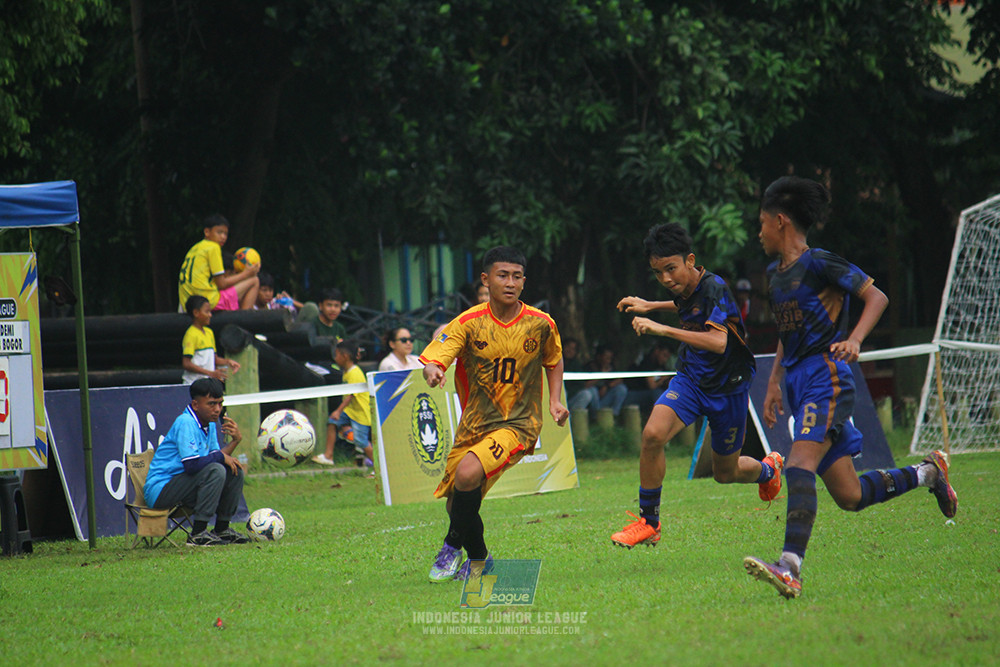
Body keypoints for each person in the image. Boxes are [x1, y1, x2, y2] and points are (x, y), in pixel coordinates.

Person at [743, 176, 957, 599]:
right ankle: (930, 473)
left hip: (828, 376)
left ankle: (789, 566)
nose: (759, 231)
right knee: (850, 494)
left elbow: (875, 296)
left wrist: (856, 338)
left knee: (799, 464)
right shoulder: (775, 274)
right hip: (799, 381)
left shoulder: (820, 263)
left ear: (781, 221)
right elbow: (789, 331)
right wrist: (773, 383)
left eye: (762, 222)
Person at [610, 223, 782, 549]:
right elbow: (684, 305)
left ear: (690, 260)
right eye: (658, 272)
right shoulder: (686, 289)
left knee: (725, 473)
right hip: (691, 380)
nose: (665, 279)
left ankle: (767, 469)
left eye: (671, 269)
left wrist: (660, 329)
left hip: (728, 388)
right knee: (652, 435)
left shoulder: (715, 287)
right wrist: (650, 304)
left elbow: (718, 342)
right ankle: (650, 522)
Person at [420, 246, 569, 582]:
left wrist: (554, 401)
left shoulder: (540, 323)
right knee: (456, 503)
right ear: (486, 280)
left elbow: (554, 358)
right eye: (503, 275)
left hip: (518, 424)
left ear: (524, 281)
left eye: (517, 276)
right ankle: (478, 558)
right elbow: (437, 354)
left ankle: (455, 549)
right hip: (474, 425)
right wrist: (432, 369)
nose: (511, 282)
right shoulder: (469, 323)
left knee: (468, 474)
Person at [143, 377, 250, 546]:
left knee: (233, 469)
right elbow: (192, 466)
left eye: (220, 404)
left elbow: (217, 457)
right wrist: (221, 458)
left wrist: (235, 441)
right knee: (217, 469)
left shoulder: (210, 423)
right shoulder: (185, 422)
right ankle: (198, 533)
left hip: (185, 485)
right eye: (212, 404)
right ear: (195, 405)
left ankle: (222, 529)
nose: (217, 409)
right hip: (161, 490)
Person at [178, 214, 260, 311]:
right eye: (219, 232)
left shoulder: (195, 249)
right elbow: (221, 284)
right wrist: (246, 274)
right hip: (208, 301)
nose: (223, 237)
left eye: (225, 234)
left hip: (188, 303)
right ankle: (244, 320)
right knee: (254, 280)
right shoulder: (213, 247)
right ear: (207, 232)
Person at [312, 339, 372, 467]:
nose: (335, 358)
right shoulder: (347, 372)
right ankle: (328, 456)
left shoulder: (354, 373)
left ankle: (379, 466)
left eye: (337, 354)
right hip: (351, 411)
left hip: (360, 413)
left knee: (362, 442)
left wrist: (338, 411)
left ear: (345, 356)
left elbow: (350, 396)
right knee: (332, 422)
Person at [181, 295, 241, 385]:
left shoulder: (209, 332)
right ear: (196, 313)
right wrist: (210, 373)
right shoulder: (191, 334)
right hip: (193, 384)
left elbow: (215, 359)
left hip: (207, 384)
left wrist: (228, 362)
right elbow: (186, 363)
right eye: (207, 311)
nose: (210, 315)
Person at [569, 344, 628, 417]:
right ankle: (596, 416)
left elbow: (620, 379)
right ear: (599, 356)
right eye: (606, 357)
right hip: (592, 402)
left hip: (605, 398)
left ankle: (615, 414)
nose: (608, 360)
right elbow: (584, 386)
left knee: (621, 388)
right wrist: (601, 375)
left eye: (610, 358)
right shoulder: (589, 366)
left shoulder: (610, 367)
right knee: (592, 390)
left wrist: (607, 386)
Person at [624, 339, 676, 415]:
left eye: (667, 357)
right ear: (657, 351)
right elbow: (652, 386)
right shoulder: (646, 363)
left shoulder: (662, 366)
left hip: (647, 395)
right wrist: (662, 379)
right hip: (633, 394)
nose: (665, 360)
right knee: (657, 393)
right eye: (664, 355)